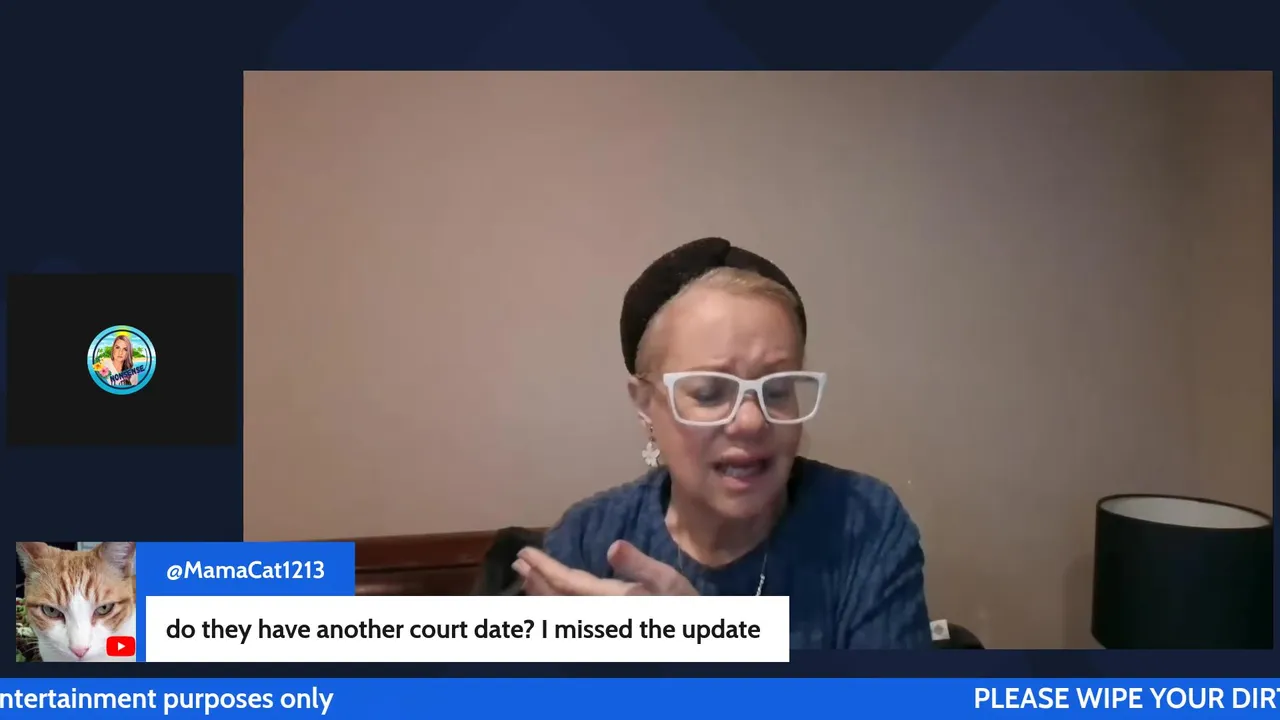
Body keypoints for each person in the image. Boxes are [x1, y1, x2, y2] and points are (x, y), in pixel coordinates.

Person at [513, 237, 933, 649]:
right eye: (710, 393)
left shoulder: (862, 522)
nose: (751, 421)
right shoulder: (588, 538)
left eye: (777, 389)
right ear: (645, 406)